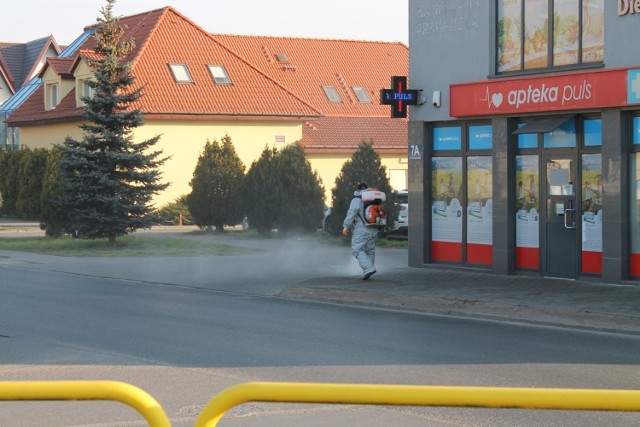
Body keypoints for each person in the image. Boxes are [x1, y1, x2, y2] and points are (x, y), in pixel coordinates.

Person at [342, 182, 378, 280]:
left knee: (357, 248)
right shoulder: (373, 199)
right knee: (370, 250)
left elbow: (351, 213)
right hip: (374, 227)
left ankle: (369, 268)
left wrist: (346, 227)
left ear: (357, 190)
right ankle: (369, 269)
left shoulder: (357, 199)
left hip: (362, 228)